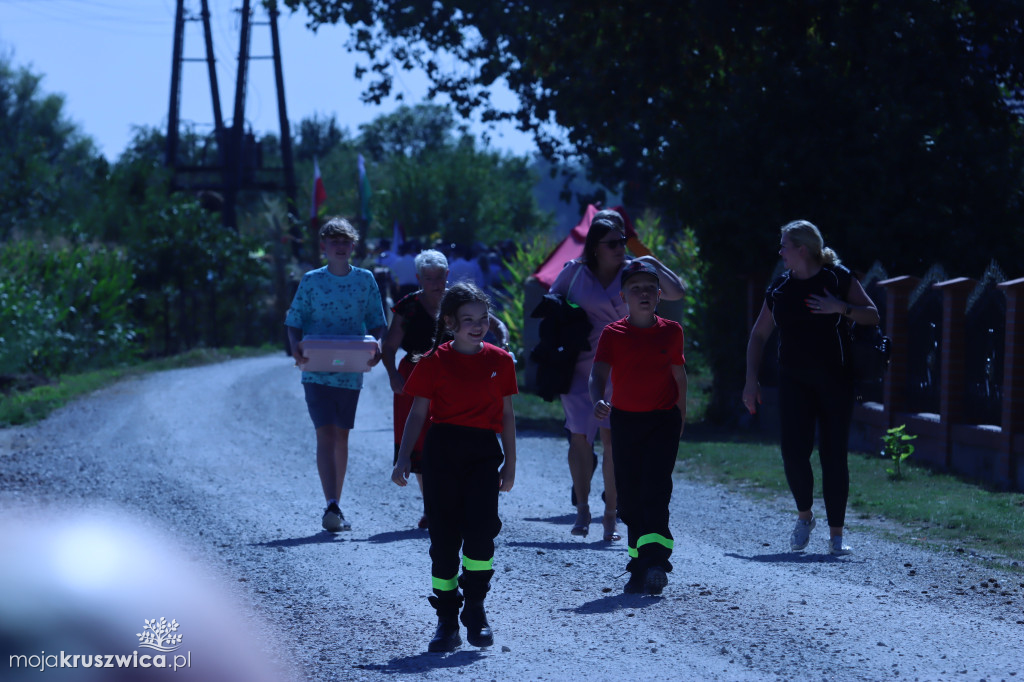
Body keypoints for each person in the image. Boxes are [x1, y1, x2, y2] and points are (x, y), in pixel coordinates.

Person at [391, 282, 517, 653]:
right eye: (468, 320)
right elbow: (417, 414)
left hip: (482, 452)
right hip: (442, 451)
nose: (477, 326)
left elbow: (508, 417)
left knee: (481, 535)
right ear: (449, 322)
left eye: (482, 319)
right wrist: (402, 459)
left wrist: (510, 464)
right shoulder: (432, 362)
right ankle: (447, 618)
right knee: (443, 541)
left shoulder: (501, 361)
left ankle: (475, 609)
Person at [742, 220, 880, 556]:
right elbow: (759, 335)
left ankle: (836, 535)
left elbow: (872, 315)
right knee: (793, 452)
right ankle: (805, 516)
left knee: (834, 455)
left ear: (802, 249)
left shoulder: (837, 278)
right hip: (794, 381)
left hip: (836, 380)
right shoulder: (780, 289)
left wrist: (840, 308)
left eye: (784, 245)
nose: (780, 252)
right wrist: (750, 380)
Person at [548, 208, 685, 541]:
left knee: (612, 440)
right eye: (612, 242)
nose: (620, 247)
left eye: (623, 241)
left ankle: (611, 512)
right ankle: (582, 509)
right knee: (580, 437)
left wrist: (645, 253)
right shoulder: (575, 273)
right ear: (595, 245)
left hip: (622, 367)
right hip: (581, 366)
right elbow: (550, 304)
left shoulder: (635, 273)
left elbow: (676, 291)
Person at [381, 250, 510, 529]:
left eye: (440, 276)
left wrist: (505, 343)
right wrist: (392, 374)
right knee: (419, 439)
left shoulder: (460, 302)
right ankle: (432, 505)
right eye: (428, 278)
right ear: (418, 278)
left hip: (456, 370)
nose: (435, 282)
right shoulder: (409, 306)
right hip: (416, 371)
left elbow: (495, 323)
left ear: (447, 276)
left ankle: (457, 500)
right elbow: (389, 346)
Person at [589, 260, 687, 595]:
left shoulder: (671, 331)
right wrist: (597, 399)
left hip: (662, 420)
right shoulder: (612, 334)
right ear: (624, 297)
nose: (643, 294)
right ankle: (638, 565)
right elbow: (597, 375)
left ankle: (657, 562)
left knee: (655, 490)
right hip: (625, 421)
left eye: (649, 288)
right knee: (629, 497)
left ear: (659, 295)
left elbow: (679, 378)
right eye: (636, 289)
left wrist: (681, 418)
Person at [285, 217, 387, 533]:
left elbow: (377, 323)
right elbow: (294, 320)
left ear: (353, 246)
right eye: (334, 242)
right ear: (324, 247)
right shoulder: (311, 280)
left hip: (350, 370)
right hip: (315, 370)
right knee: (324, 434)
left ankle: (336, 504)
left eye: (345, 242)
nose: (340, 247)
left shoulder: (365, 280)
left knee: (341, 434)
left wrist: (379, 348)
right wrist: (295, 349)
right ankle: (331, 503)